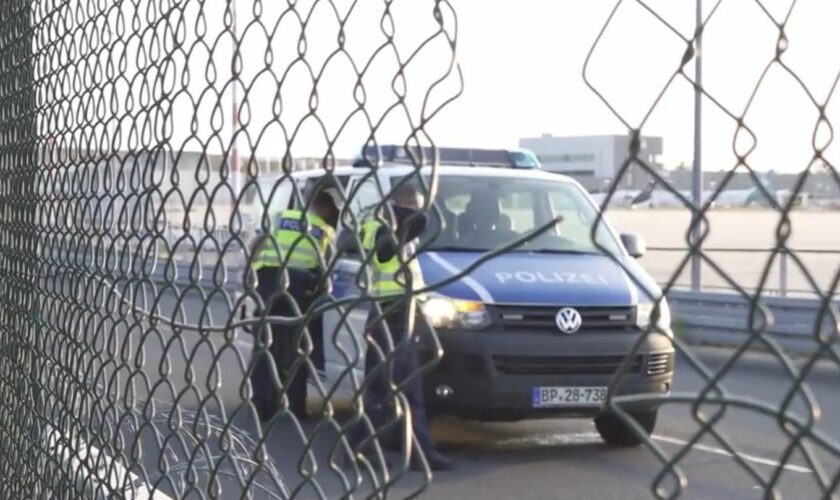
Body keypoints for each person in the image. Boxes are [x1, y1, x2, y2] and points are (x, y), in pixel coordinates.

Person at [349, 182, 456, 471]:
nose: (419, 209)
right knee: (406, 387)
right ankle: (420, 453)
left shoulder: (384, 224)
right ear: (403, 201)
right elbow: (385, 253)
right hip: (393, 310)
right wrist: (407, 219)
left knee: (380, 386)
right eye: (415, 203)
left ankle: (360, 446)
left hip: (398, 310)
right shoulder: (385, 226)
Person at [249, 189, 338, 422]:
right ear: (323, 209)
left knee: (265, 345)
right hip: (299, 287)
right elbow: (326, 267)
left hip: (268, 281)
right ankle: (296, 408)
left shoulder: (279, 216)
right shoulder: (324, 230)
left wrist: (250, 271)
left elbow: (256, 242)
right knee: (298, 348)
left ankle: (261, 406)